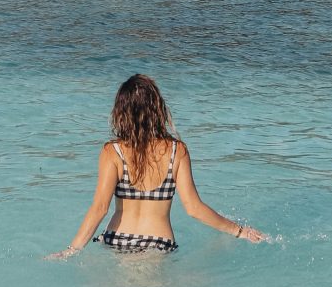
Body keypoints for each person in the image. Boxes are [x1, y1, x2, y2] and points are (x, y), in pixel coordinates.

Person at [49, 73, 265, 258]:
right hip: (158, 245)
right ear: (157, 109)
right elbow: (193, 208)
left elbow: (100, 209)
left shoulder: (112, 152)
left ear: (121, 112)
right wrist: (239, 231)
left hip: (117, 241)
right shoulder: (176, 150)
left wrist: (71, 250)